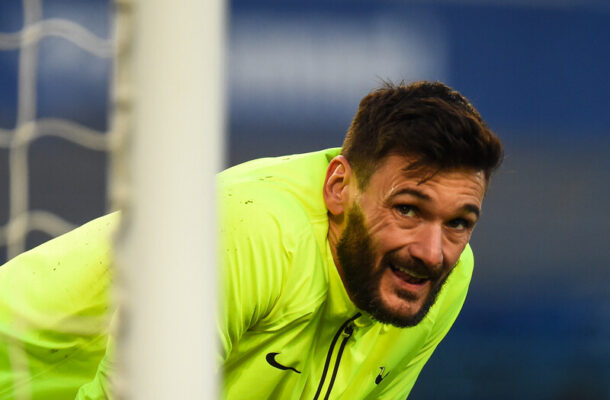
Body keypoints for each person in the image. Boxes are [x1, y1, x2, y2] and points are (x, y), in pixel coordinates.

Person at [0, 80, 502, 399]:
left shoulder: (443, 282)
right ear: (338, 188)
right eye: (408, 209)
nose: (432, 252)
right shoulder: (251, 233)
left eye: (459, 222)